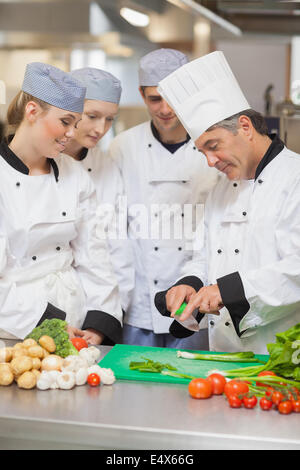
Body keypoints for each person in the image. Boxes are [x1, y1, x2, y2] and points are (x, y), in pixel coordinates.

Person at [155, 50, 300, 354]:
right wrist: (191, 283)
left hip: (281, 351)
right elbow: (205, 254)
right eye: (201, 151)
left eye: (214, 146)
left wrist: (228, 291)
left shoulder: (294, 178)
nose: (209, 161)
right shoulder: (221, 188)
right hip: (222, 351)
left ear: (245, 127)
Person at [0, 62, 123, 345]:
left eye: (75, 124)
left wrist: (98, 321)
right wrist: (47, 323)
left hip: (74, 321)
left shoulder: (75, 175)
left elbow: (95, 256)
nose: (71, 133)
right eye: (65, 121)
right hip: (14, 329)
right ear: (32, 112)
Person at [108, 48, 219, 348]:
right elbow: (112, 230)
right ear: (142, 95)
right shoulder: (122, 147)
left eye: (172, 97)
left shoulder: (213, 148)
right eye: (155, 98)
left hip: (197, 297)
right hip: (140, 301)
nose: (165, 108)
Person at [63, 67, 134, 315]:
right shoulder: (37, 161)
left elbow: (117, 246)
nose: (101, 129)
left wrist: (111, 314)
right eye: (92, 116)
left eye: (109, 119)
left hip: (96, 302)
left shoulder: (105, 167)